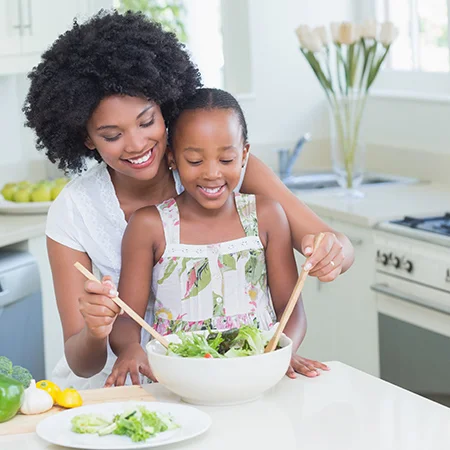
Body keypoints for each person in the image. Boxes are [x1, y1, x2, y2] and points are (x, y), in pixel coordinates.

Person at [23, 10, 354, 389]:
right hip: (121, 387)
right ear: (86, 139)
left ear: (166, 107)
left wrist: (332, 253)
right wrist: (97, 331)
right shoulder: (74, 209)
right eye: (112, 135)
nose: (136, 145)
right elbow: (82, 363)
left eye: (147, 122)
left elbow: (336, 247)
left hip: (225, 377)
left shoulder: (225, 170)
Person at [111, 87, 307, 384]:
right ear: (172, 158)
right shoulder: (149, 225)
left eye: (226, 160)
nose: (212, 173)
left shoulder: (267, 216)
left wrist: (282, 351)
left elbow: (292, 311)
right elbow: (126, 318)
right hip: (177, 382)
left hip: (256, 377)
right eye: (194, 161)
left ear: (244, 155)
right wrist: (129, 348)